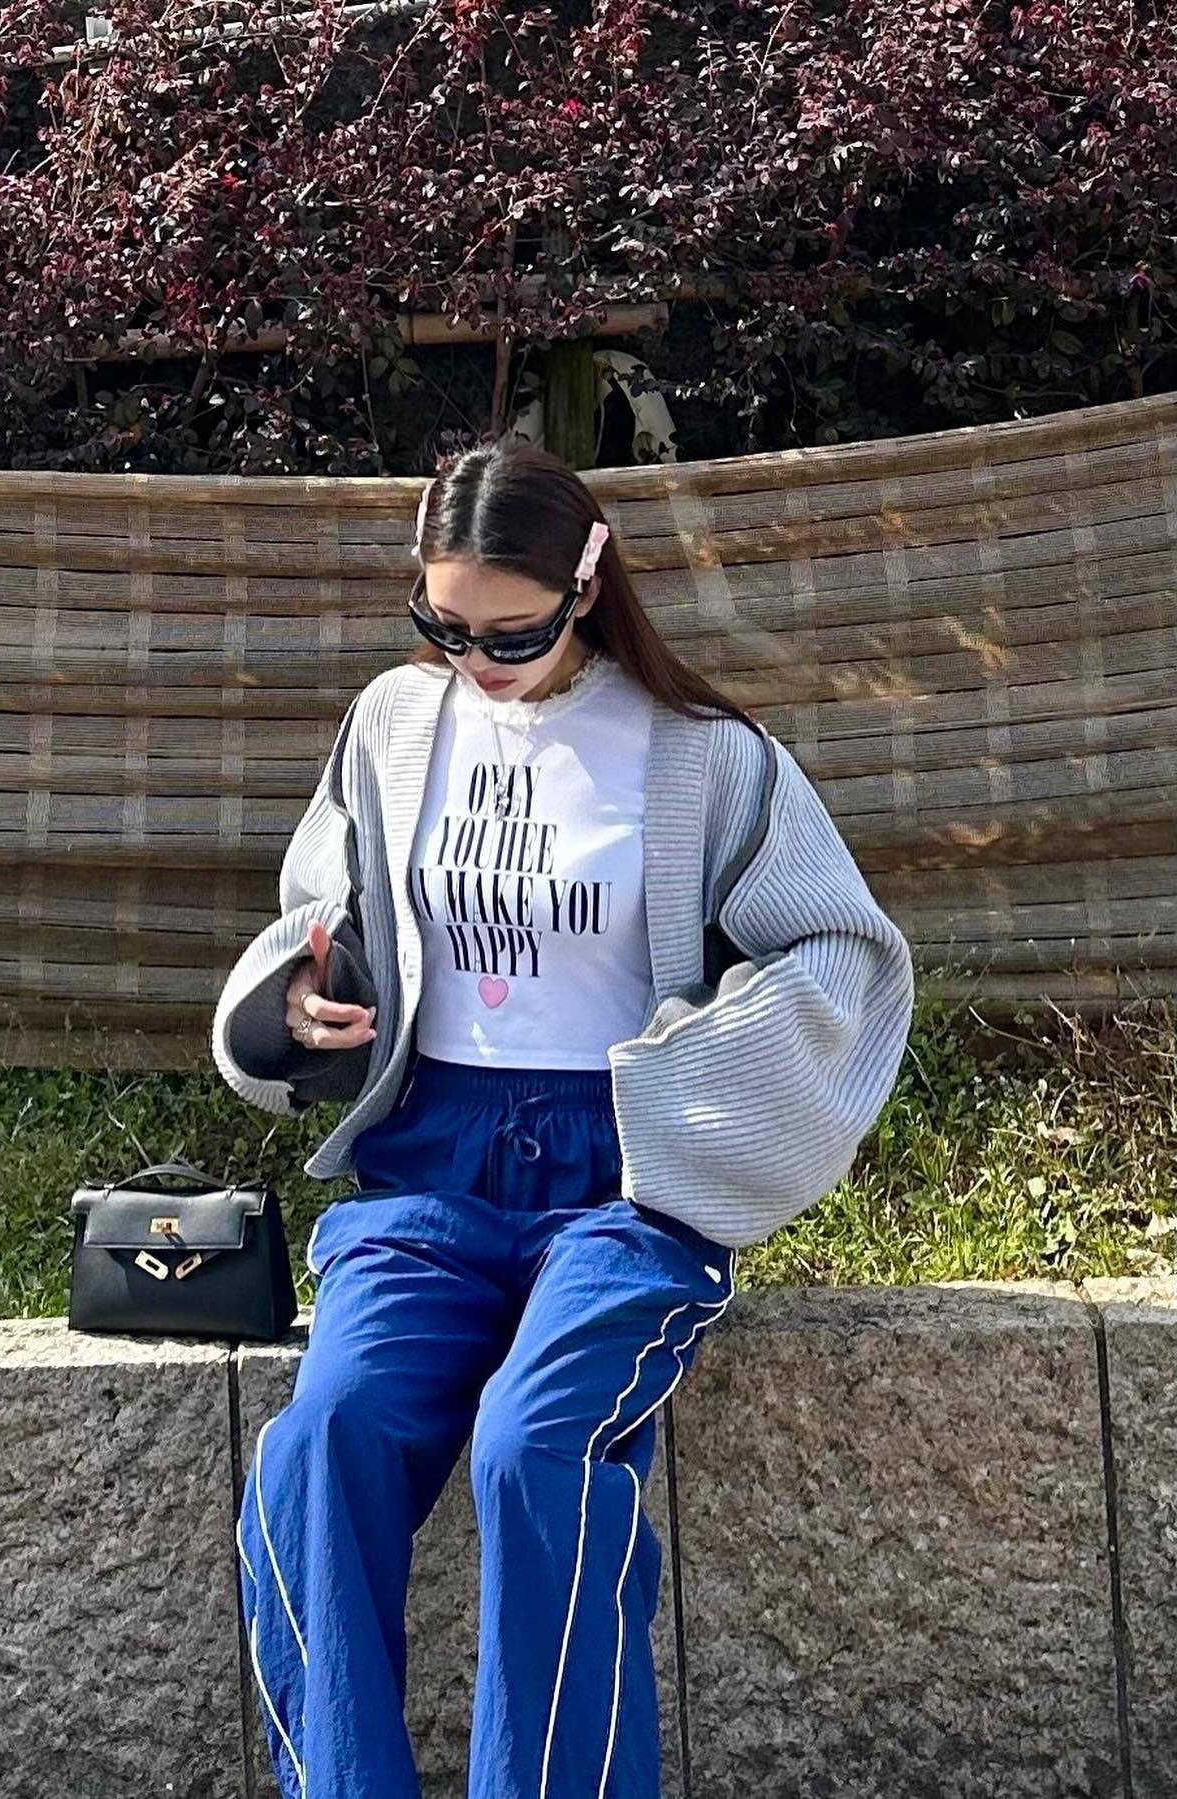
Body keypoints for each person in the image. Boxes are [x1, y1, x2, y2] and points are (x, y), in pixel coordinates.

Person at [212, 437, 914, 1798]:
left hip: (620, 1182)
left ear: (587, 585)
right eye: (444, 627)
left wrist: (686, 1076)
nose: (474, 659)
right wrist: (301, 999)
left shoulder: (703, 755)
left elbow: (845, 953)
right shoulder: (391, 725)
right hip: (426, 1174)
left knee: (537, 1449)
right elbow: (323, 916)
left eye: (511, 632)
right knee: (319, 1443)